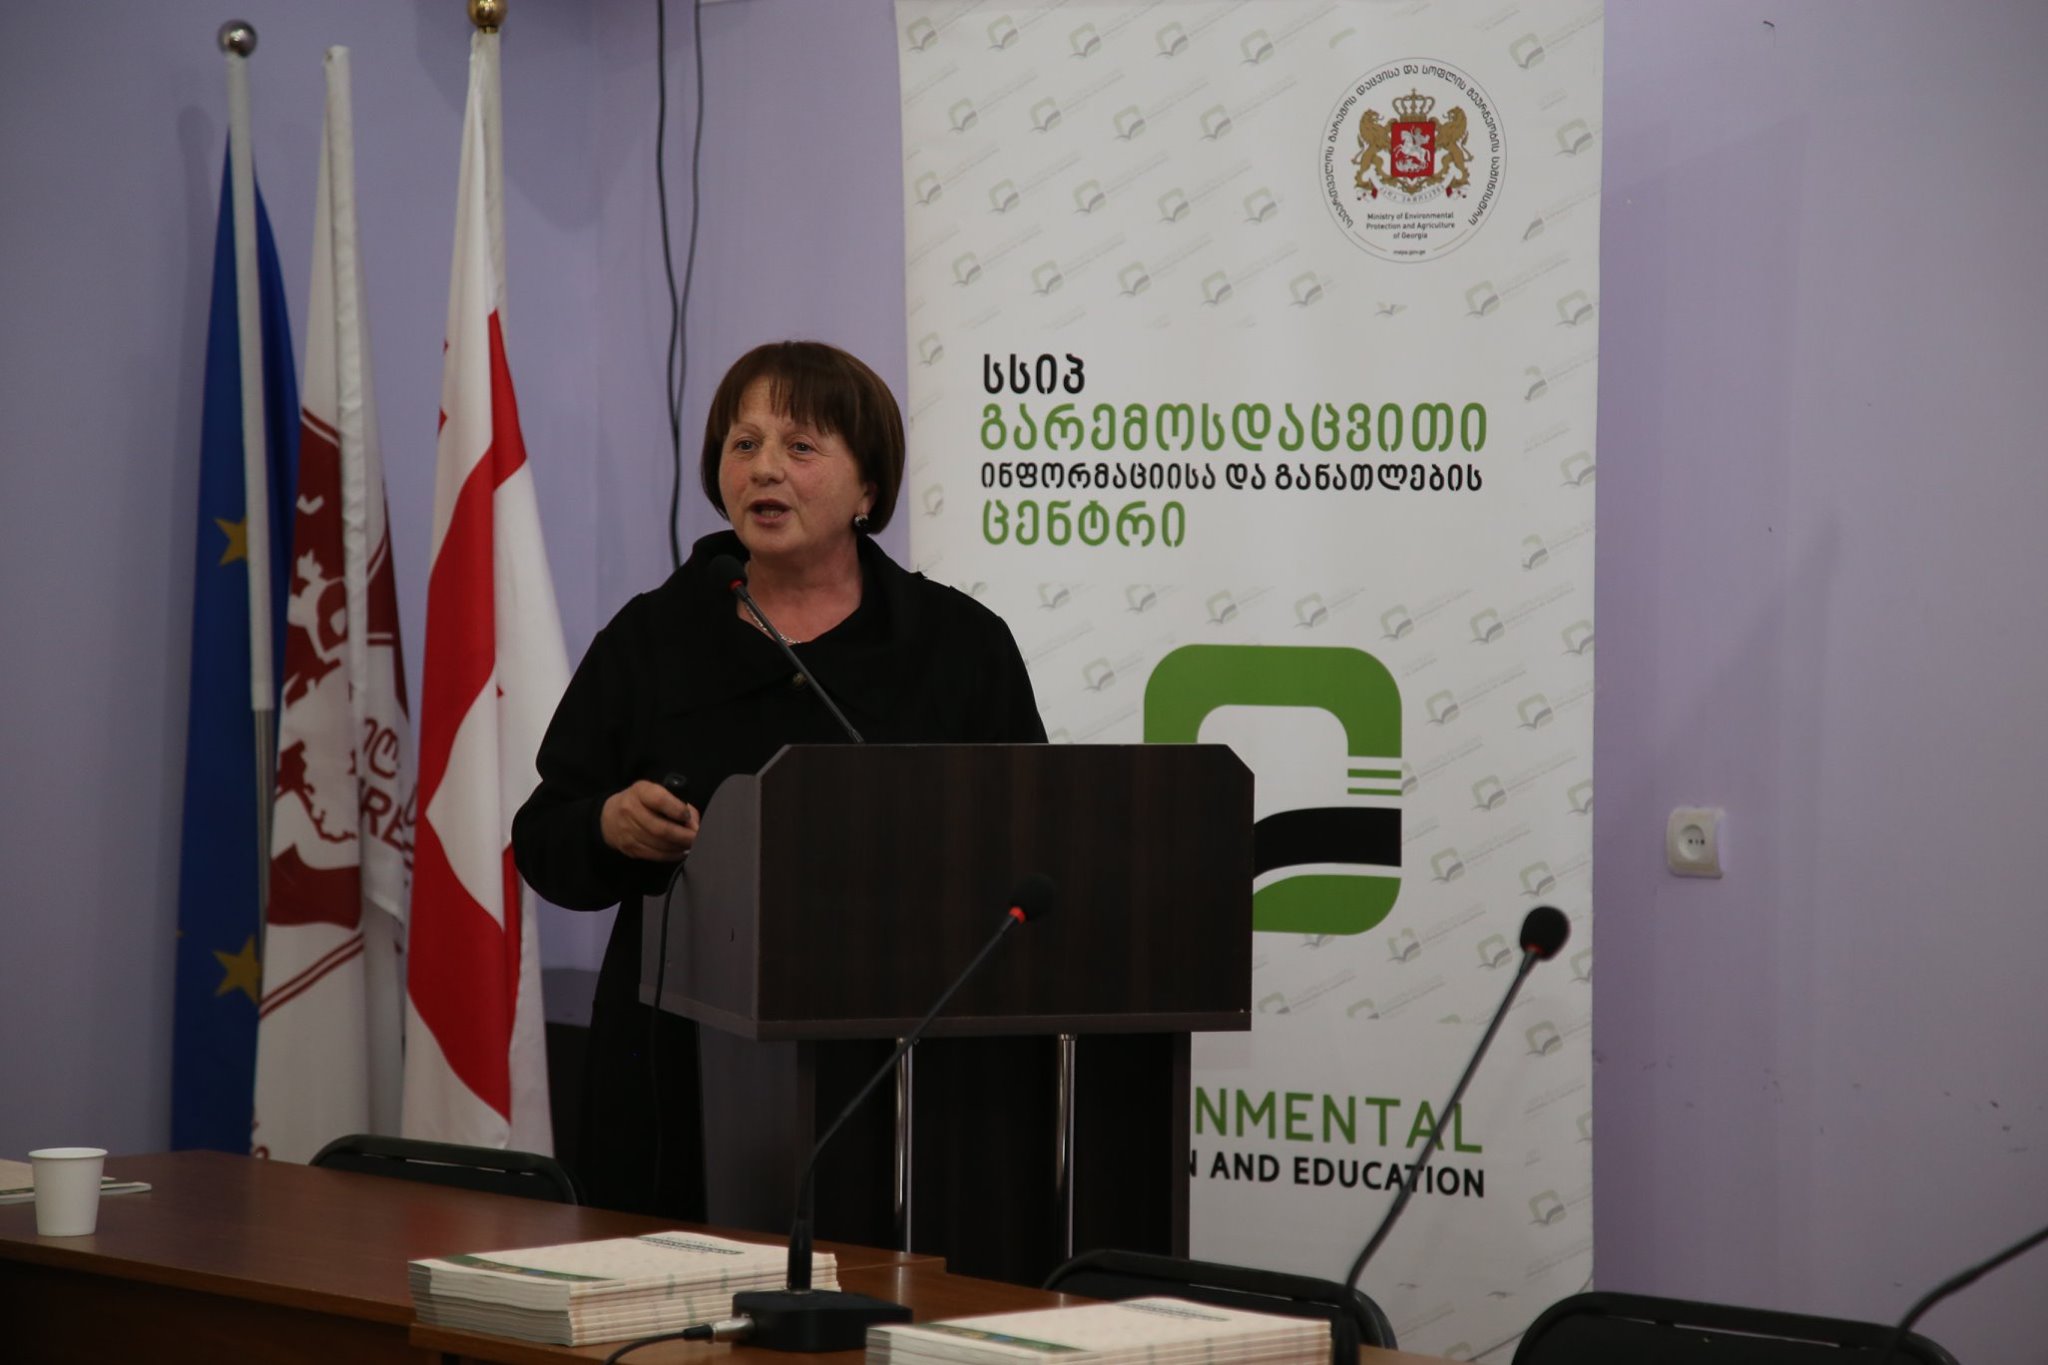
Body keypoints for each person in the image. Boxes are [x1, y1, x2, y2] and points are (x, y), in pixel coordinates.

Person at [511, 341, 1045, 1220]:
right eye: (744, 443)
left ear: (868, 489)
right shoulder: (653, 638)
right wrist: (608, 825)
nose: (764, 468)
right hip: (675, 1073)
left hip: (904, 1075)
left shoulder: (956, 645)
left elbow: (1026, 846)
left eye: (800, 446)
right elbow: (543, 834)